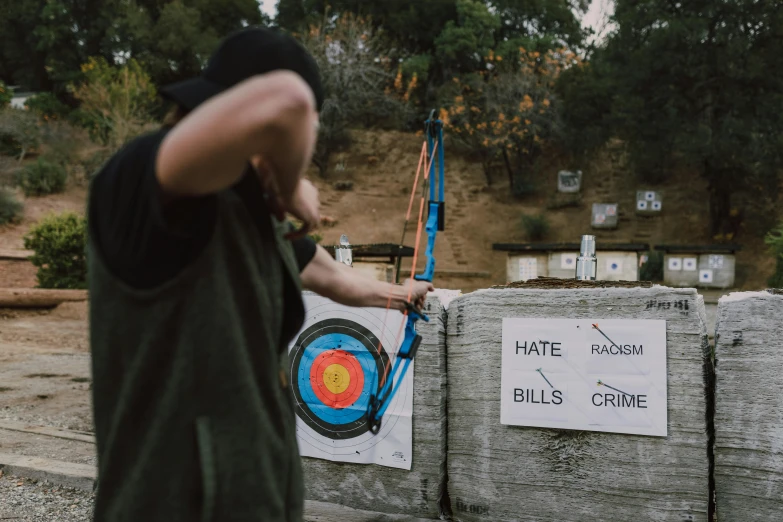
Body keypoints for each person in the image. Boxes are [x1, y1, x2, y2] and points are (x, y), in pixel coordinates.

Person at [87, 27, 432, 522]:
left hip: (255, 495)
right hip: (166, 500)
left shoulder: (249, 216)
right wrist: (291, 186)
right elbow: (288, 102)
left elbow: (334, 278)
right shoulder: (141, 178)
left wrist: (402, 295)